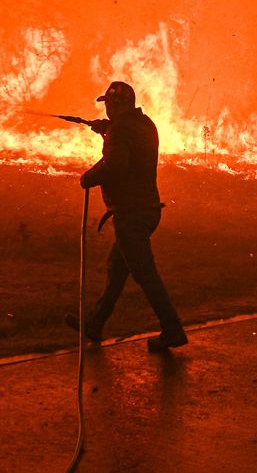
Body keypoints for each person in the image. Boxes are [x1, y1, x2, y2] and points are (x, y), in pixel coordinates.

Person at [67, 81, 188, 351]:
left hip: (131, 214)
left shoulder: (120, 130)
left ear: (116, 105)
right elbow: (129, 144)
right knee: (117, 269)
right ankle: (95, 324)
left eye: (108, 104)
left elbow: (117, 164)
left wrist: (89, 177)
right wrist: (106, 131)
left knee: (145, 274)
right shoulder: (146, 124)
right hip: (147, 210)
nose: (106, 107)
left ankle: (172, 328)